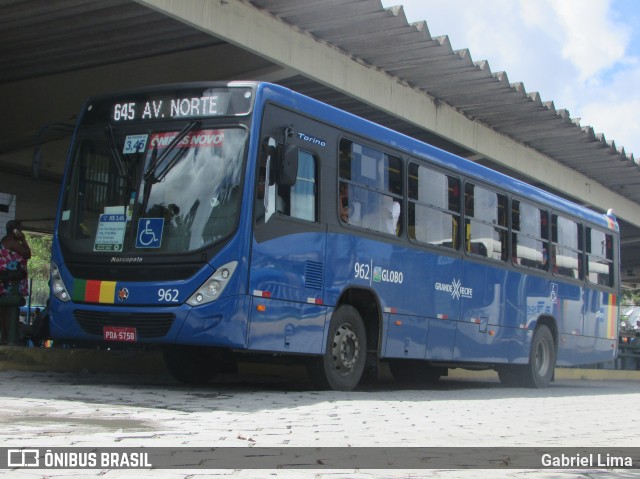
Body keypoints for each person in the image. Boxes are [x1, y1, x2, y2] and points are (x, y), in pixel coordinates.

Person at [0, 220, 31, 345]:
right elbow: (27, 254)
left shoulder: (3, 241)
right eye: (20, 229)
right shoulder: (13, 242)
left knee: (3, 312)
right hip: (11, 283)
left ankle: (4, 337)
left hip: (4, 281)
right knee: (9, 312)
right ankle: (8, 338)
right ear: (15, 230)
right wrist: (23, 239)